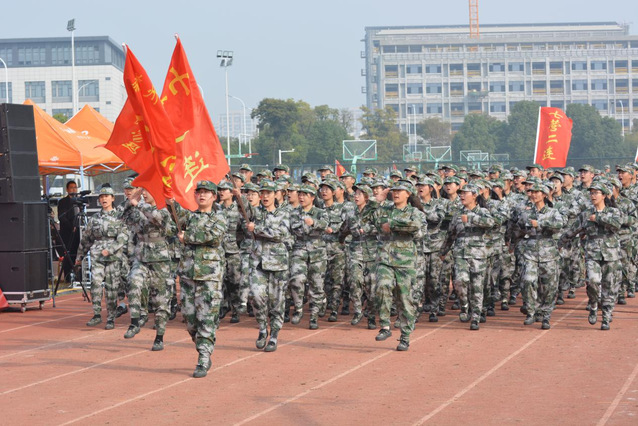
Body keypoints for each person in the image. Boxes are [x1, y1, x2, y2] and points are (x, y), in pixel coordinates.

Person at [168, 180, 227, 378]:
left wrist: (187, 237)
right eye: (199, 192)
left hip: (209, 276)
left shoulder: (219, 217)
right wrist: (169, 200)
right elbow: (175, 214)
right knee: (190, 319)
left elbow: (213, 237)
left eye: (206, 192)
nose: (202, 195)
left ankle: (203, 356)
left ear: (214, 196)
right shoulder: (190, 217)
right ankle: (202, 345)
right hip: (188, 275)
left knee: (206, 317)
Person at [560, 182, 622, 330]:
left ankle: (606, 316)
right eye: (591, 193)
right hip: (592, 253)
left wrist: (598, 218)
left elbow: (617, 225)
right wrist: (559, 243)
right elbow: (572, 230)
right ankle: (594, 304)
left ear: (604, 195)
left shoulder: (613, 212)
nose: (593, 196)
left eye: (596, 193)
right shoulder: (586, 214)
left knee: (609, 286)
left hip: (611, 255)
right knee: (593, 281)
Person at [122, 188, 175, 353]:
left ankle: (159, 336)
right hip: (141, 258)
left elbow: (156, 218)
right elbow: (123, 218)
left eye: (148, 190)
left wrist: (138, 205)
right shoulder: (139, 209)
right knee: (133, 282)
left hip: (160, 261)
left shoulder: (163, 209)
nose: (144, 194)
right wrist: (129, 203)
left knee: (161, 302)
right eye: (143, 191)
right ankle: (135, 320)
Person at [373, 180, 423, 351]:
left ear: (408, 194)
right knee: (382, 286)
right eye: (393, 191)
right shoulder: (385, 209)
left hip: (405, 262)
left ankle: (405, 336)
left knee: (404, 298)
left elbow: (415, 226)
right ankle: (385, 326)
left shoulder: (414, 212)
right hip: (385, 258)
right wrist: (376, 200)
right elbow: (367, 217)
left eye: (399, 191)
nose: (395, 193)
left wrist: (392, 225)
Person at [440, 184, 495, 331]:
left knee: (477, 287)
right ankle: (464, 305)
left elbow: (491, 223)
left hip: (478, 256)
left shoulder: (483, 212)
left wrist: (471, 218)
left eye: (465, 193)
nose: (462, 196)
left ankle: (476, 316)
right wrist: (443, 251)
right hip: (460, 254)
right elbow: (450, 234)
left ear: (474, 195)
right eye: (461, 193)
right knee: (460, 281)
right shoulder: (457, 213)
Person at [246, 179, 291, 352]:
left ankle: (274, 335)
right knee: (256, 295)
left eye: (269, 193)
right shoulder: (255, 212)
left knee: (276, 301)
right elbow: (243, 211)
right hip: (258, 262)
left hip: (277, 263)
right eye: (262, 193)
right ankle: (262, 328)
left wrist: (257, 229)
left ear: (275, 195)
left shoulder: (284, 213)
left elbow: (280, 234)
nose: (265, 196)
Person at [513, 183, 565, 329]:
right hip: (530, 252)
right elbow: (518, 228)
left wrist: (540, 223)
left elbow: (559, 225)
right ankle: (531, 311)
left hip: (548, 253)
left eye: (537, 192)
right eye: (532, 192)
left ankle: (546, 314)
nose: (534, 194)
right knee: (528, 280)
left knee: (549, 286)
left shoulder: (553, 212)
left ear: (544, 194)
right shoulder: (526, 213)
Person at [76, 186, 128, 329]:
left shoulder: (120, 217)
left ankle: (111, 318)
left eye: (106, 196)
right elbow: (86, 239)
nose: (104, 199)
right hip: (97, 256)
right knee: (96, 284)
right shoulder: (94, 219)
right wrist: (79, 256)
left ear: (112, 198)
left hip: (113, 257)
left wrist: (110, 250)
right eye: (101, 197)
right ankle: (97, 314)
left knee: (111, 288)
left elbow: (123, 237)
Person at [288, 184, 329, 328]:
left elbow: (325, 224)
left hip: (317, 253)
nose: (301, 197)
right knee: (296, 279)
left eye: (305, 195)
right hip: (299, 250)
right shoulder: (293, 213)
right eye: (300, 194)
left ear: (312, 197)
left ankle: (314, 316)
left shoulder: (320, 212)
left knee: (316, 285)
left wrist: (314, 222)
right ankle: (298, 309)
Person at [57, 180, 80, 282]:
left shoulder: (79, 201)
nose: (74, 189)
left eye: (75, 187)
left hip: (78, 232)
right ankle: (68, 276)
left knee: (77, 252)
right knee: (68, 253)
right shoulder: (63, 202)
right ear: (67, 189)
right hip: (67, 232)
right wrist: (71, 226)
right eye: (71, 187)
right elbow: (62, 217)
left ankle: (78, 276)